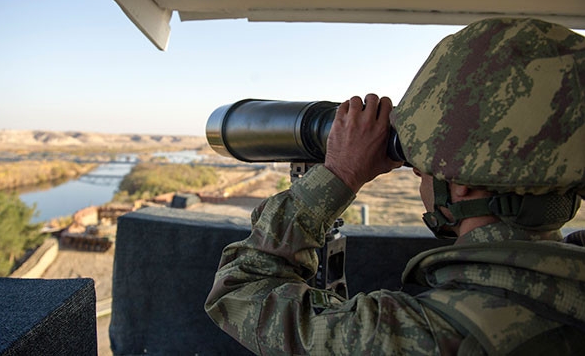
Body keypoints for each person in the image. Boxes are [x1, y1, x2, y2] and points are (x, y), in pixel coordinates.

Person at [204, 18, 585, 355]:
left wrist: (338, 176)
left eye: (422, 166)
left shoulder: (424, 337)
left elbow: (240, 292)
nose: (419, 173)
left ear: (462, 186)